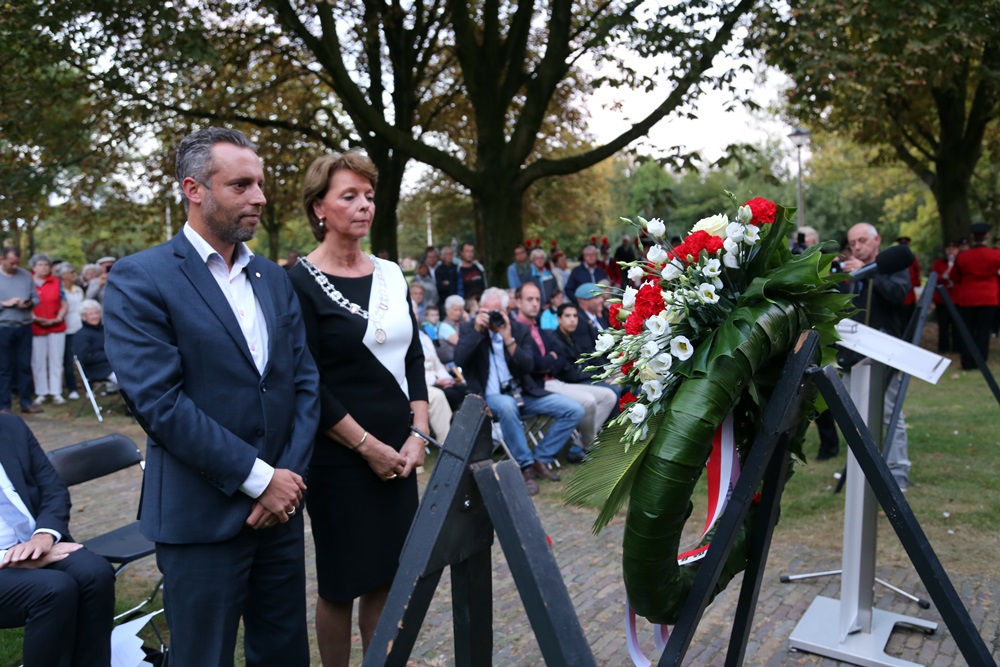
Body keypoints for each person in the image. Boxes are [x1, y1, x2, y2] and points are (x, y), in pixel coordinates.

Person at [103, 127, 320, 667]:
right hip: (200, 518)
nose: (260, 197)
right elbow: (161, 404)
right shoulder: (141, 278)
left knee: (285, 655)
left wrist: (285, 484)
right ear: (194, 189)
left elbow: (304, 384)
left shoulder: (273, 277)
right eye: (241, 185)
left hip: (280, 516)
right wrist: (260, 479)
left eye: (261, 184)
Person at [289, 150, 428, 667]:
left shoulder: (391, 273)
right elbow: (309, 382)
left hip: (400, 451)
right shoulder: (298, 281)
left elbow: (414, 355)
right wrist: (367, 447)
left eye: (368, 196)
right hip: (339, 454)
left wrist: (418, 433)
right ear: (319, 207)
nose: (364, 205)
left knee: (389, 574)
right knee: (341, 581)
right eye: (349, 196)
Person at [0, 414, 116, 666]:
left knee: (94, 573)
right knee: (54, 589)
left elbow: (52, 488)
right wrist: (11, 559)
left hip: (36, 541)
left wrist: (43, 536)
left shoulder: (10, 426)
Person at [454, 286, 584, 495]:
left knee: (574, 410)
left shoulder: (518, 330)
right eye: (489, 311)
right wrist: (478, 330)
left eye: (498, 311)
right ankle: (525, 467)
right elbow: (459, 359)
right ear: (481, 310)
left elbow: (527, 365)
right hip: (489, 398)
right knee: (507, 406)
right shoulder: (471, 329)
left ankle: (540, 459)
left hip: (523, 394)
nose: (493, 317)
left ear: (507, 311)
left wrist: (508, 338)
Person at [840, 222, 912, 490]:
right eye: (853, 242)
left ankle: (898, 471)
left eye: (862, 240)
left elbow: (898, 295)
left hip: (885, 350)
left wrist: (867, 274)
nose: (857, 246)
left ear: (877, 240)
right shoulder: (849, 269)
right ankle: (862, 472)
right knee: (852, 415)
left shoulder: (893, 266)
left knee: (888, 412)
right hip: (850, 350)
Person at [514, 289, 616, 455]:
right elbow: (537, 363)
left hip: (555, 381)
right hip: (539, 386)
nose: (534, 303)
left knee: (609, 396)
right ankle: (589, 447)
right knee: (590, 400)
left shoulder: (539, 330)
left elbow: (559, 356)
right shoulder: (519, 330)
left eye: (537, 299)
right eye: (530, 299)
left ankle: (581, 444)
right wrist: (549, 360)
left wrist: (548, 360)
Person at [952, 222, 1000, 369]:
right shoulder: (995, 255)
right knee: (983, 332)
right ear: (986, 236)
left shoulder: (963, 257)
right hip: (988, 297)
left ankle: (967, 362)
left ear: (973, 237)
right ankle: (980, 362)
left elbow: (955, 277)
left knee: (967, 331)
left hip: (967, 297)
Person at [0, 248, 42, 415]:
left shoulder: (25, 275)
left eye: (17, 262)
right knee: (4, 367)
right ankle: (4, 405)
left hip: (24, 326)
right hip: (3, 327)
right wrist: (5, 303)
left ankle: (26, 402)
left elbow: (36, 298)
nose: (15, 265)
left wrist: (29, 304)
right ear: (1, 259)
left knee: (24, 366)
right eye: (12, 263)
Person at [29, 254, 67, 406]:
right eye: (40, 265)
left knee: (56, 360)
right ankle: (41, 392)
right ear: (33, 267)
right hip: (36, 325)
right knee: (38, 361)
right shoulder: (28, 282)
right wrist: (35, 317)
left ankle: (56, 391)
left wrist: (58, 318)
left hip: (56, 326)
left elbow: (64, 302)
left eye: (46, 265)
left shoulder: (57, 282)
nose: (43, 267)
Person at [73, 299, 117, 388]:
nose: (95, 316)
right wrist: (110, 354)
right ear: (83, 317)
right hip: (96, 368)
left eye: (96, 313)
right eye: (91, 314)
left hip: (115, 363)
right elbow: (85, 357)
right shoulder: (80, 335)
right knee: (126, 377)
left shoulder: (106, 330)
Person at [56, 263, 83, 400]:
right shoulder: (59, 291)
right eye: (71, 272)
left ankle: (86, 384)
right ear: (63, 275)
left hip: (80, 328)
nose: (74, 275)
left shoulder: (78, 289)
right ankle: (71, 387)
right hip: (66, 330)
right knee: (68, 361)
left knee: (81, 357)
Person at [930, 241, 960, 353]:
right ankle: (943, 346)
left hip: (956, 298)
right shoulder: (939, 263)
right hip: (942, 298)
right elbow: (934, 277)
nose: (951, 251)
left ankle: (957, 347)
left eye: (954, 249)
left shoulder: (960, 262)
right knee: (943, 325)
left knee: (956, 325)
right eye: (949, 249)